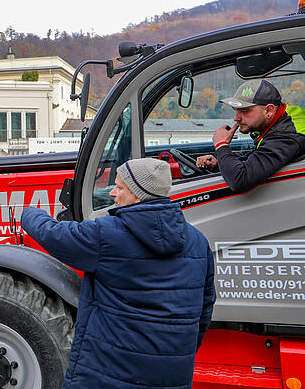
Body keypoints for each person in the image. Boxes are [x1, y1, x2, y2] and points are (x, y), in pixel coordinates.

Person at [21, 158, 214, 389]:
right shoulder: (198, 241)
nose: (112, 193)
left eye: (120, 187)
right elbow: (204, 308)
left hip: (108, 372)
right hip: (171, 374)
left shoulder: (107, 234)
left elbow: (52, 234)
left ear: (139, 194)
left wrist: (30, 211)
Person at [195, 79, 305, 193]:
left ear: (269, 110)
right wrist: (221, 163)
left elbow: (240, 180)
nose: (236, 118)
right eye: (236, 110)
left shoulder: (288, 135)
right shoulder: (278, 119)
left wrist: (221, 145)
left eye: (244, 111)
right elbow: (260, 155)